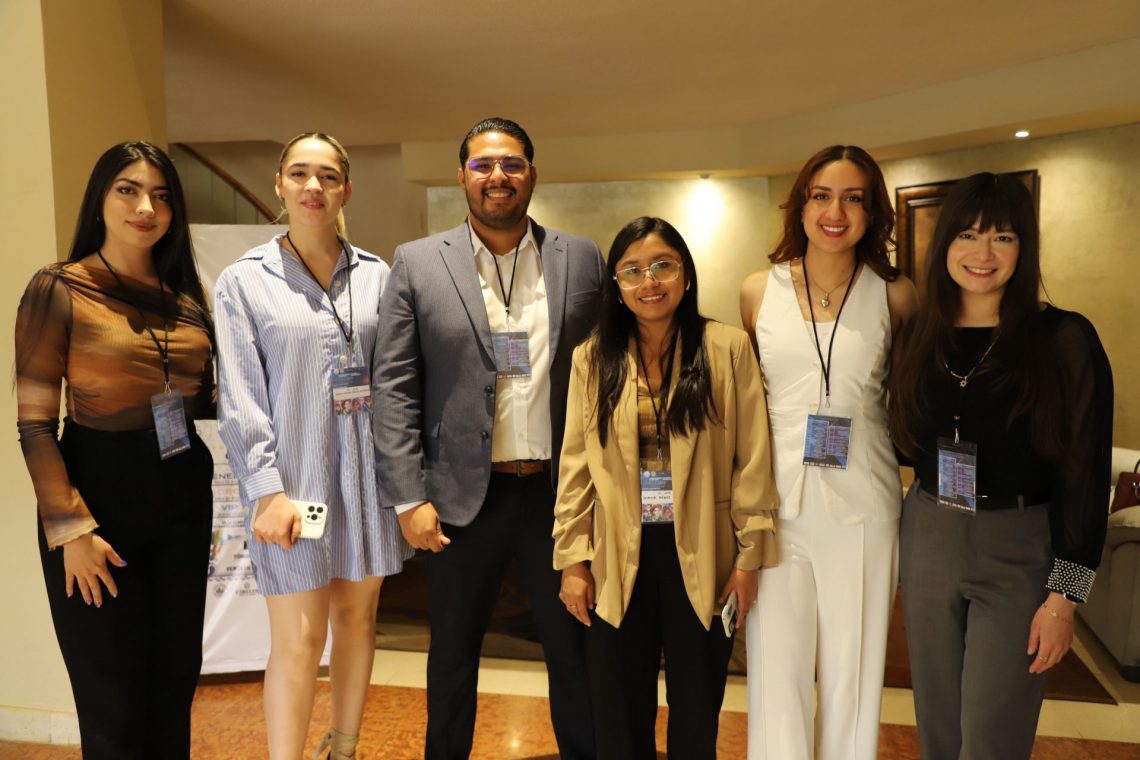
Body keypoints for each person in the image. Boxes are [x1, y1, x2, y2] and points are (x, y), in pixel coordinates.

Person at [372, 117, 603, 759]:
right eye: (483, 165)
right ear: (462, 176)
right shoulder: (418, 262)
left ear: (532, 174)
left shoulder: (581, 256)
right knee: (452, 656)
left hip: (557, 496)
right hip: (459, 500)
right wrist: (408, 496)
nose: (497, 176)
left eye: (511, 164)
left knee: (575, 651)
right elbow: (394, 386)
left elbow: (605, 371)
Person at [888, 173, 1112, 760]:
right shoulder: (919, 335)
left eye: (1003, 237)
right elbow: (904, 442)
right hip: (929, 533)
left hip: (1018, 545)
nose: (983, 253)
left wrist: (1065, 600)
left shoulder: (1063, 338)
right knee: (938, 726)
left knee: (992, 733)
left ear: (1024, 247)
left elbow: (1086, 477)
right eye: (967, 235)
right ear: (945, 245)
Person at [15, 141, 215, 758]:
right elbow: (35, 425)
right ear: (100, 198)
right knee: (113, 706)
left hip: (181, 504)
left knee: (173, 691)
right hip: (97, 508)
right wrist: (71, 530)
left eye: (161, 195)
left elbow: (205, 402)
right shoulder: (59, 288)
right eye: (128, 189)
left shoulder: (186, 299)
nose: (145, 207)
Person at [215, 133, 410, 760]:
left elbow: (397, 382)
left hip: (367, 480)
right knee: (298, 640)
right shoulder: (245, 281)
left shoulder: (378, 276)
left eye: (327, 176)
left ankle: (344, 747)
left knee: (357, 622)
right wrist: (265, 491)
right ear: (279, 184)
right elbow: (241, 397)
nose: (313, 186)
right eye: (299, 173)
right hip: (292, 487)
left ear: (346, 189)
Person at [554, 217, 779, 759]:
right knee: (618, 715)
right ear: (616, 286)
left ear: (685, 274)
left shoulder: (726, 348)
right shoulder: (593, 357)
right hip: (616, 555)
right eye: (632, 271)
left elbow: (752, 460)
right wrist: (572, 559)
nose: (649, 281)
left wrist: (749, 558)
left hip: (701, 551)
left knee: (697, 713)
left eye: (662, 266)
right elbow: (576, 466)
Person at [739, 145, 917, 760]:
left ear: (872, 212)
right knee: (775, 672)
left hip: (865, 507)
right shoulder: (757, 291)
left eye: (852, 198)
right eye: (821, 196)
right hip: (776, 508)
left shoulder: (896, 295)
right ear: (800, 205)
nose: (834, 212)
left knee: (854, 675)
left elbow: (909, 399)